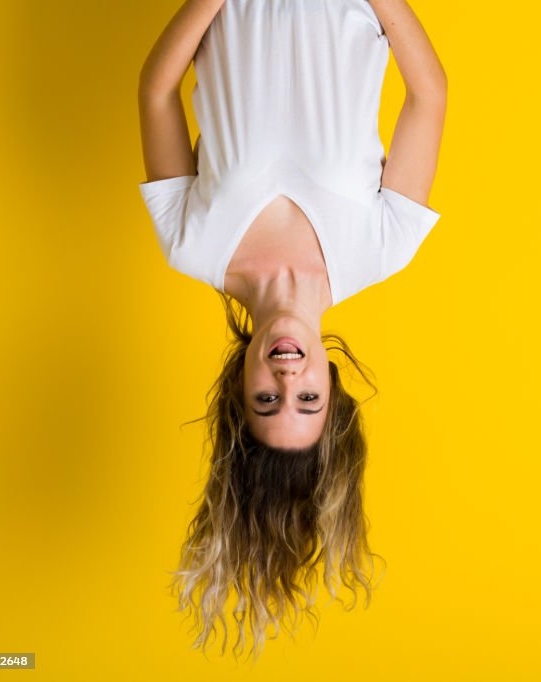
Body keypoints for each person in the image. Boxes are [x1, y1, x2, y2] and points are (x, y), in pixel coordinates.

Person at [136, 0, 446, 659]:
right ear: (330, 387)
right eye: (307, 399)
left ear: (236, 387)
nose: (286, 377)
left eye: (265, 400)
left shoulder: (190, 245)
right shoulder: (382, 251)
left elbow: (158, 90)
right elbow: (428, 95)